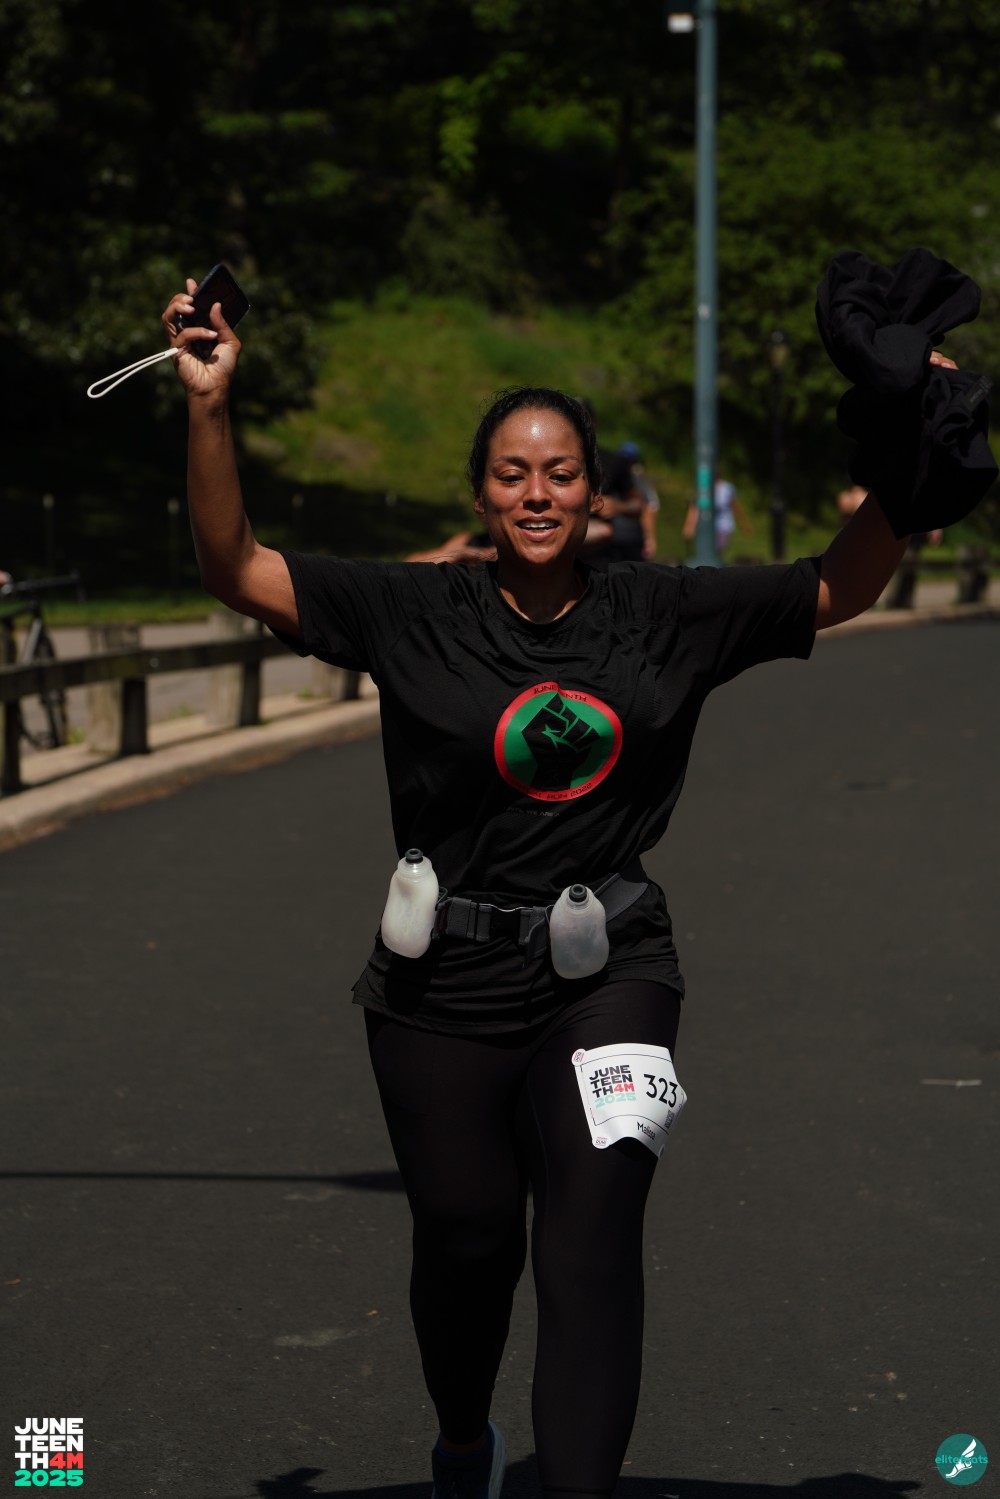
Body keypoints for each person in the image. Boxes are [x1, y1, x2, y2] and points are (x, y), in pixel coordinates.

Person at [161, 280, 956, 1499]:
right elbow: (234, 565)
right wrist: (210, 405)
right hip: (440, 979)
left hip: (610, 969)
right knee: (468, 1238)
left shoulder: (664, 610)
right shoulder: (413, 608)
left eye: (562, 473)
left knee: (590, 1245)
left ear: (595, 495)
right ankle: (462, 1437)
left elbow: (832, 587)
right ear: (481, 493)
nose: (538, 493)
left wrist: (905, 451)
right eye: (513, 473)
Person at [682, 477, 753, 558]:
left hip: (723, 525)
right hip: (706, 525)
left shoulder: (726, 488)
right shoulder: (704, 488)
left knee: (718, 549)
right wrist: (689, 526)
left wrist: (744, 524)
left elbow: (735, 506)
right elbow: (695, 508)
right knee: (705, 549)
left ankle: (714, 561)